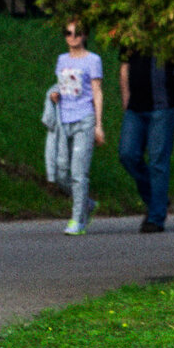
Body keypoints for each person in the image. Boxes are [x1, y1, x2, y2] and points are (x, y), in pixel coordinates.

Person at [118, 51, 174, 233]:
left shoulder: (170, 32)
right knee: (127, 154)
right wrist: (126, 100)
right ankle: (157, 199)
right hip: (135, 108)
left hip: (163, 107)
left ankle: (156, 218)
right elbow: (124, 67)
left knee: (157, 162)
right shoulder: (132, 34)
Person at [48, 17, 105, 235]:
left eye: (77, 33)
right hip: (64, 119)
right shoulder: (62, 60)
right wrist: (55, 94)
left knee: (78, 173)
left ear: (85, 36)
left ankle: (77, 220)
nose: (72, 38)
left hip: (85, 119)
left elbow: (97, 92)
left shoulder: (93, 60)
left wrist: (98, 125)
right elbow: (62, 87)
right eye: (68, 33)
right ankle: (87, 204)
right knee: (61, 172)